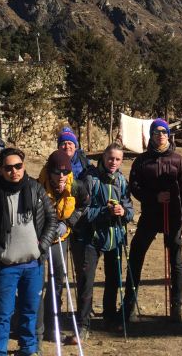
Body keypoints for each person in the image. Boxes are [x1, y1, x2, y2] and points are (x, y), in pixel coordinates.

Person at [0, 147, 58, 356]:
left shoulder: (35, 189)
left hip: (33, 263)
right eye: (9, 168)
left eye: (18, 166)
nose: (14, 171)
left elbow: (51, 218)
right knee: (3, 312)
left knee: (30, 310)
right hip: (6, 265)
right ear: (0, 170)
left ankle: (28, 348)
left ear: (24, 166)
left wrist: (42, 246)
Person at [124, 118, 182, 323]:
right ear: (151, 136)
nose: (160, 135)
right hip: (150, 215)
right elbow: (134, 186)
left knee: (176, 261)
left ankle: (176, 307)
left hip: (174, 216)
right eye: (156, 132)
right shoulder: (142, 161)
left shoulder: (179, 160)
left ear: (168, 135)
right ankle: (129, 304)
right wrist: (153, 196)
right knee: (136, 255)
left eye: (163, 132)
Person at [70, 140, 134, 342]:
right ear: (103, 158)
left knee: (113, 280)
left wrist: (123, 212)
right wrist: (104, 213)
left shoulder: (122, 181)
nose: (113, 162)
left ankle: (109, 317)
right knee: (86, 282)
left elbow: (129, 208)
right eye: (110, 158)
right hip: (91, 238)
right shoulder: (90, 179)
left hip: (115, 236)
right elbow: (80, 212)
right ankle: (83, 324)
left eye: (117, 159)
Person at [36, 149, 89, 342]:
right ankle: (37, 327)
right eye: (57, 172)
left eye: (65, 172)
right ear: (49, 172)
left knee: (57, 280)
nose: (61, 176)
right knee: (37, 282)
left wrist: (68, 222)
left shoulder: (76, 186)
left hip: (61, 238)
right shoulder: (37, 187)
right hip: (41, 239)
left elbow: (84, 204)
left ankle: (53, 325)